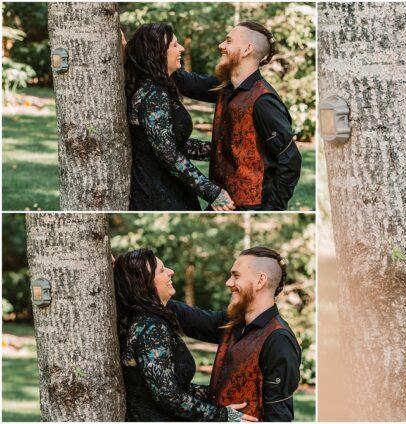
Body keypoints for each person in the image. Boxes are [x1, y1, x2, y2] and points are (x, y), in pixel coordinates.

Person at [172, 22, 301, 211]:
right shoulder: (226, 88)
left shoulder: (263, 101)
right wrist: (152, 53)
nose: (221, 46)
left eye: (228, 41)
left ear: (247, 49)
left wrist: (272, 209)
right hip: (223, 203)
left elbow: (291, 160)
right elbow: (188, 83)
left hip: (253, 206)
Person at [113, 248, 253, 421]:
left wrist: (218, 395)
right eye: (162, 270)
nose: (171, 272)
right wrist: (221, 416)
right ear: (145, 283)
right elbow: (168, 395)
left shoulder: (148, 321)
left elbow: (172, 386)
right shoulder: (150, 327)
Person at [167, 247, 302, 422]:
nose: (228, 282)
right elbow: (189, 318)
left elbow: (279, 415)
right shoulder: (233, 322)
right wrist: (151, 291)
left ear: (260, 280)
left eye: (236, 275)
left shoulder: (279, 339)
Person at [124, 23, 235, 211]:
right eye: (175, 45)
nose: (182, 48)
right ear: (158, 53)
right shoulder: (153, 95)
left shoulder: (157, 88)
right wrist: (212, 192)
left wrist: (223, 149)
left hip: (171, 189)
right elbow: (169, 154)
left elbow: (173, 144)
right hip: (159, 195)